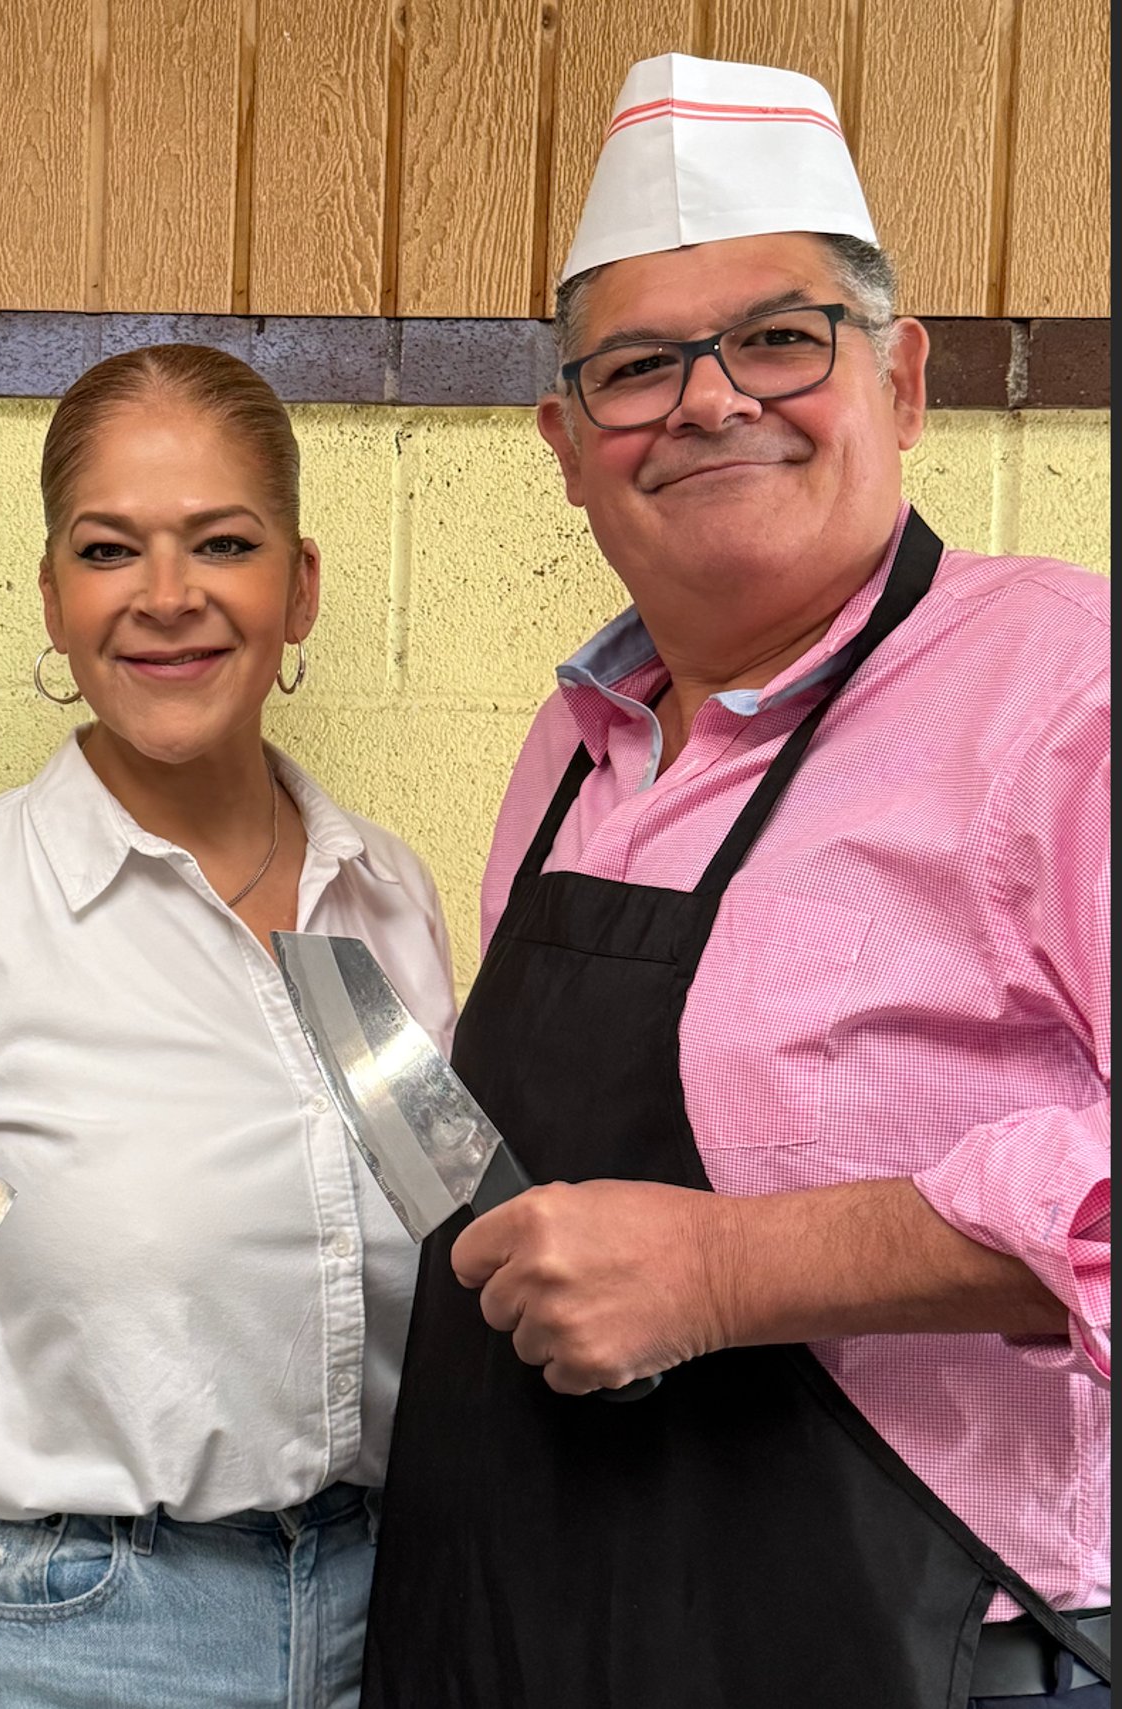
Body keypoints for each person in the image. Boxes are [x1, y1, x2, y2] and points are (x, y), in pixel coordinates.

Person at [361, 51, 1111, 1709]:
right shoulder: (573, 748)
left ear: (903, 380)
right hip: (560, 1633)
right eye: (637, 367)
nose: (710, 400)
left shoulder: (1068, 692)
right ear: (566, 444)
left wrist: (726, 1271)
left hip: (920, 1652)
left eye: (779, 337)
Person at [0, 343, 457, 1709]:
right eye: (111, 550)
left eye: (223, 542)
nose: (168, 598)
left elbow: (448, 1253)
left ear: (302, 586)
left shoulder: (384, 900)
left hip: (386, 1627)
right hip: (76, 1650)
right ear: (53, 595)